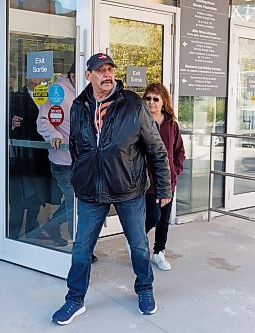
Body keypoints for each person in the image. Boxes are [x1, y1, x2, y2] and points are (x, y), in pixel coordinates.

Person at [51, 53, 171, 325]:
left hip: (128, 189)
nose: (107, 75)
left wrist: (163, 186)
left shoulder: (132, 104)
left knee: (139, 245)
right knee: (81, 247)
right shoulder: (79, 105)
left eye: (110, 70)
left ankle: (145, 290)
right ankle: (74, 299)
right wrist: (79, 178)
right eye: (100, 70)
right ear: (88, 76)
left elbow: (156, 149)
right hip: (91, 191)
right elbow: (77, 147)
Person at [36, 64, 98, 261]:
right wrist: (54, 135)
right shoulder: (59, 91)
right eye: (86, 75)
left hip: (85, 160)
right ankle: (80, 248)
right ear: (73, 75)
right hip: (64, 160)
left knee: (77, 202)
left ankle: (48, 228)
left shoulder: (87, 92)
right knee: (75, 204)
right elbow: (43, 120)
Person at [143, 83, 185, 271]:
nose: (151, 102)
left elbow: (179, 151)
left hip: (168, 180)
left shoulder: (171, 124)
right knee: (153, 215)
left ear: (163, 102)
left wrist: (176, 169)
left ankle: (159, 252)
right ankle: (135, 238)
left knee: (164, 219)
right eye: (148, 98)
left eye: (155, 99)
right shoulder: (140, 122)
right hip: (149, 180)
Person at [9, 76, 56, 238]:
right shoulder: (15, 97)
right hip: (22, 154)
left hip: (42, 154)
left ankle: (32, 229)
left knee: (37, 195)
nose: (35, 80)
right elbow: (0, 122)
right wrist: (10, 123)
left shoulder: (50, 97)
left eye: (38, 75)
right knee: (19, 197)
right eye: (30, 75)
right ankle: (12, 233)